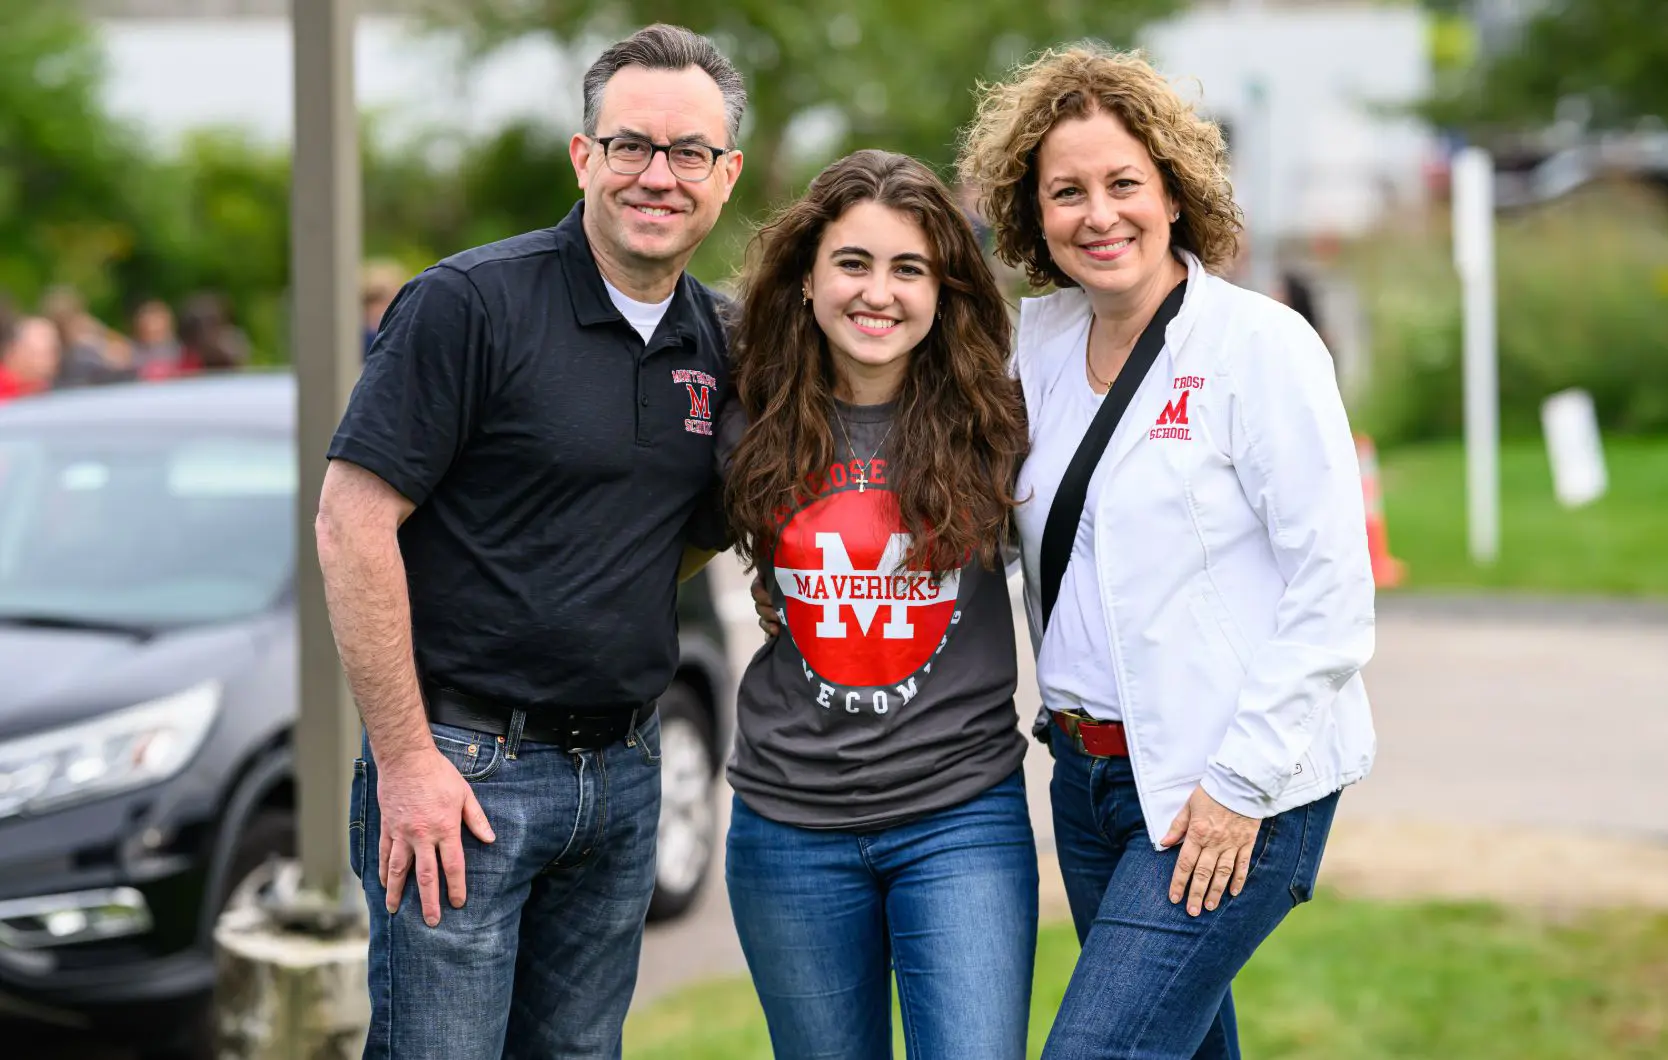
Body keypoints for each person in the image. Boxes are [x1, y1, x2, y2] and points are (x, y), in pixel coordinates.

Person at [314, 24, 745, 1059]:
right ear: (582, 155)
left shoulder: (724, 338)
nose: (658, 175)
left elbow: (680, 534)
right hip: (464, 772)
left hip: (628, 769)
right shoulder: (469, 304)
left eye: (689, 152)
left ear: (726, 176)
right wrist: (409, 760)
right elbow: (350, 523)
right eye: (630, 144)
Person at [957, 44, 1378, 1058]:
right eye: (1066, 192)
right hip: (1087, 777)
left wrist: (1237, 791)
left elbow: (1334, 590)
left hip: (1230, 782)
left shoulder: (1258, 347)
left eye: (1123, 184)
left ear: (1176, 193)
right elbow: (1013, 536)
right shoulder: (1037, 344)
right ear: (1032, 213)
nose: (1099, 215)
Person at [722, 150, 1035, 1059]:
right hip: (786, 829)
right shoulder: (747, 417)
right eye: (854, 263)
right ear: (808, 276)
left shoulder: (1001, 423)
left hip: (960, 819)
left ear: (944, 290)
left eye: (910, 269)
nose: (879, 293)